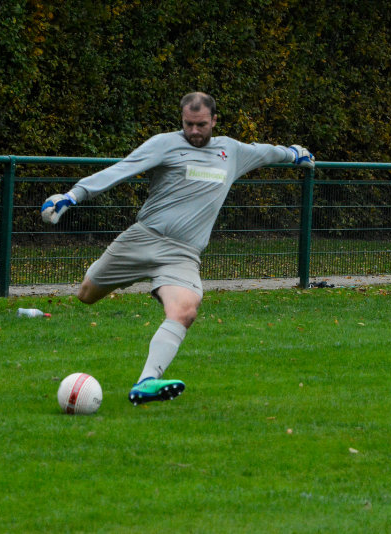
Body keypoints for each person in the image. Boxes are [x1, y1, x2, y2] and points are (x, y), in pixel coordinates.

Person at [41, 92, 314, 406]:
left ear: (214, 121)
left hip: (182, 255)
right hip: (142, 240)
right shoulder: (164, 144)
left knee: (185, 310)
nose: (194, 131)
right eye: (188, 124)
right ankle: (130, 276)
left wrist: (293, 154)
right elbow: (121, 170)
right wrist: (72, 196)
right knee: (86, 294)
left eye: (201, 125)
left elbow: (265, 153)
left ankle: (146, 382)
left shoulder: (231, 151)